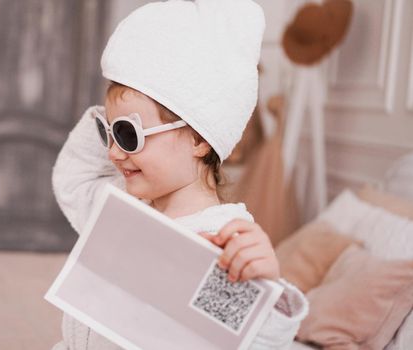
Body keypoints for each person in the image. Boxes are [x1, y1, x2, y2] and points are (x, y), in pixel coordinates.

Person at [51, 0, 308, 349]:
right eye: (108, 134)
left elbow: (248, 344)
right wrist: (113, 119)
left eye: (128, 134)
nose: (112, 152)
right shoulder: (120, 202)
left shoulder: (222, 241)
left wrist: (265, 289)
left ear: (199, 139)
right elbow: (74, 178)